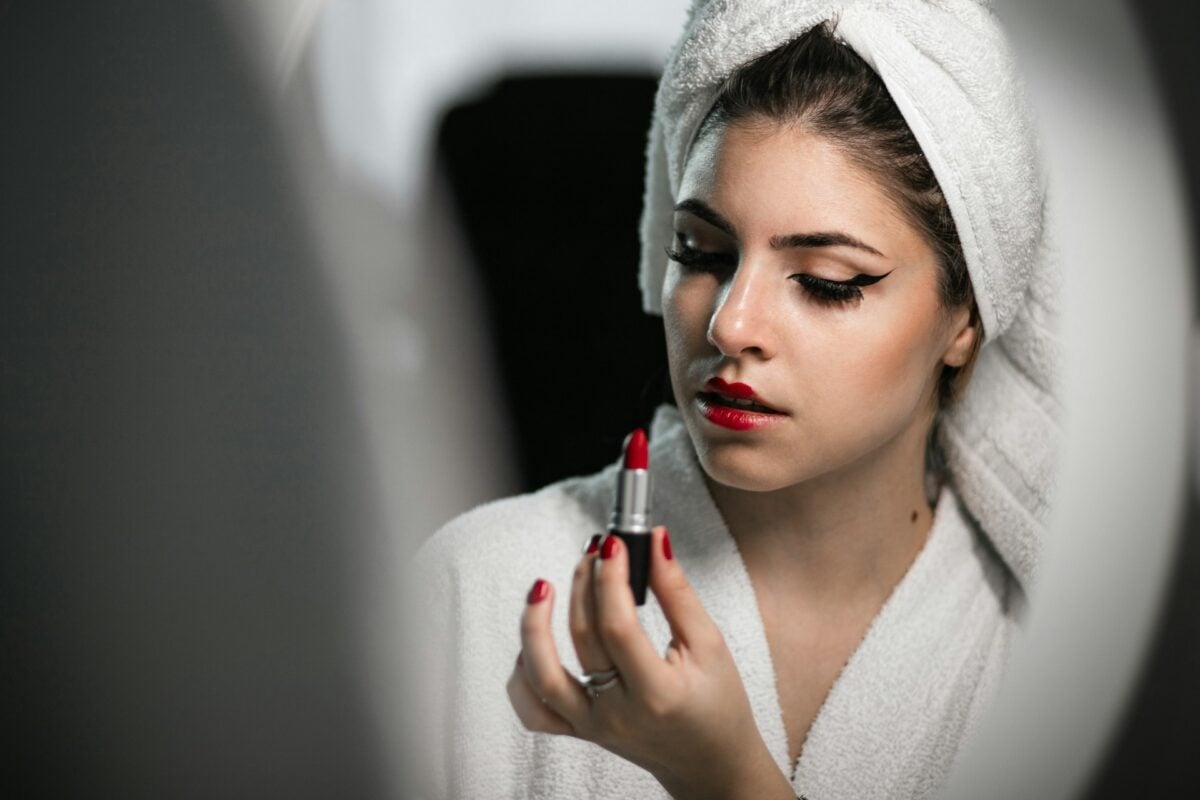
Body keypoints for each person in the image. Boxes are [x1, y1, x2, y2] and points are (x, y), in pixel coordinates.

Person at [409, 2, 1059, 798]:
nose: (730, 323)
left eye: (826, 282)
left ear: (965, 320)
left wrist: (725, 781)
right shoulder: (477, 592)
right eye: (701, 253)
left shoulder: (1058, 656)